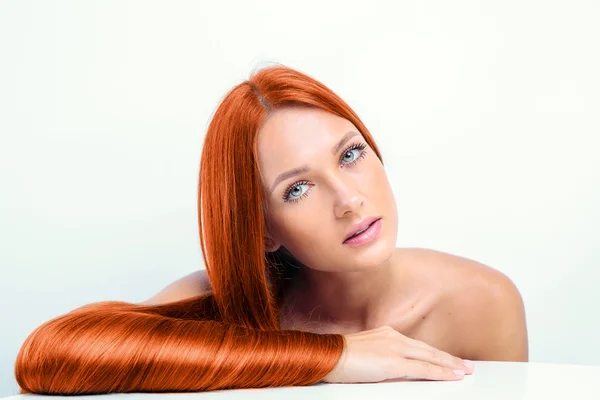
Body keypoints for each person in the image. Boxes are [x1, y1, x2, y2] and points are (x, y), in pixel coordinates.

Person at [14, 64, 528, 395]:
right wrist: (331, 356)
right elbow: (47, 355)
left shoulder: (481, 301)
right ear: (262, 230)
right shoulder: (230, 305)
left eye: (351, 154)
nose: (349, 201)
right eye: (297, 190)